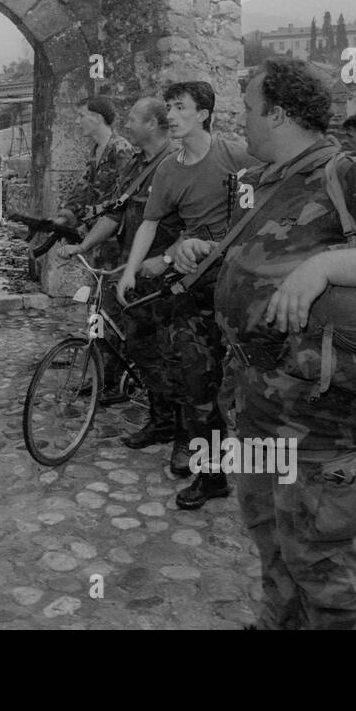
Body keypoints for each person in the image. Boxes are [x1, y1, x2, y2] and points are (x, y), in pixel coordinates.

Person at [197, 57, 356, 629]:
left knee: (320, 558)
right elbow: (246, 252)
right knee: (271, 539)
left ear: (279, 113)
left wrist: (326, 266)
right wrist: (196, 251)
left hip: (324, 424)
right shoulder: (259, 182)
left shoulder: (351, 174)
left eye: (250, 109)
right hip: (259, 407)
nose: (243, 121)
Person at [117, 81, 258, 506]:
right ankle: (211, 473)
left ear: (204, 113)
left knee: (250, 384)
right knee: (196, 376)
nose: (171, 116)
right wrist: (129, 272)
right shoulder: (169, 170)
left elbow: (256, 218)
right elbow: (149, 222)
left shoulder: (235, 157)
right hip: (196, 286)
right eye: (168, 108)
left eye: (179, 108)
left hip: (241, 284)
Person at [58, 98, 181, 414]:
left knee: (159, 345)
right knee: (119, 326)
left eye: (134, 119)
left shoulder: (177, 162)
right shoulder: (136, 163)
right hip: (129, 262)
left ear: (152, 124)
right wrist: (83, 245)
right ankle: (146, 406)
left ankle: (165, 416)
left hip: (160, 267)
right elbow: (115, 211)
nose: (126, 124)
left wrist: (167, 259)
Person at [57, 96, 136, 269]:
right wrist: (63, 218)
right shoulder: (96, 150)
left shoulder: (121, 149)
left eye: (81, 115)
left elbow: (122, 200)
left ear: (98, 117)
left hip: (115, 239)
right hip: (98, 237)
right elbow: (82, 189)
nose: (78, 122)